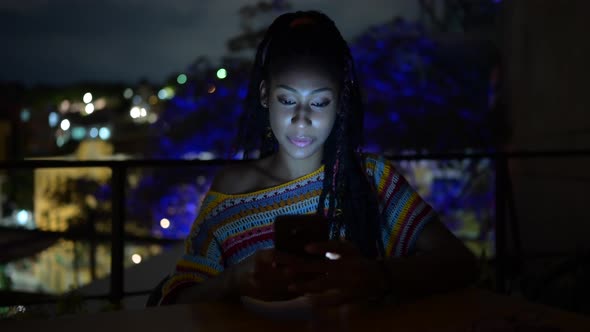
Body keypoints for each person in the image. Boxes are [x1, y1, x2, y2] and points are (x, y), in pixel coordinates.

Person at [157, 10, 478, 307]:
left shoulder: (371, 179)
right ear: (265, 95)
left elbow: (459, 262)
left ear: (340, 104)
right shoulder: (232, 192)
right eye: (287, 99)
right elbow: (178, 299)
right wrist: (234, 280)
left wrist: (376, 276)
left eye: (320, 103)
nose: (301, 118)